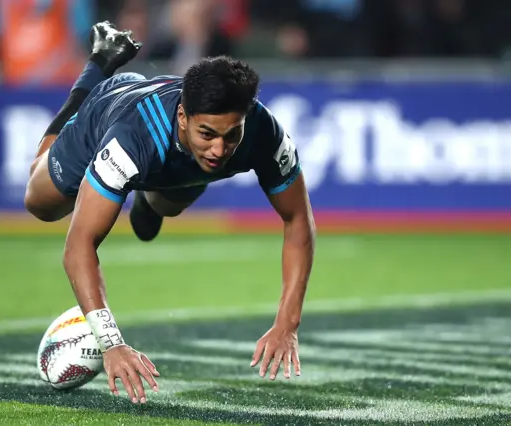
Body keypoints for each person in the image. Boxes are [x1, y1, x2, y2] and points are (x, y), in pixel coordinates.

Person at [25, 21, 315, 405]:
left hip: (172, 166)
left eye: (232, 135)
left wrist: (287, 324)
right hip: (105, 115)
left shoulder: (264, 132)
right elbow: (79, 244)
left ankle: (149, 199)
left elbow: (298, 220)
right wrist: (112, 344)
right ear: (183, 118)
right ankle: (100, 64)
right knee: (41, 202)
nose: (219, 149)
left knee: (159, 213)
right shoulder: (133, 138)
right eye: (207, 134)